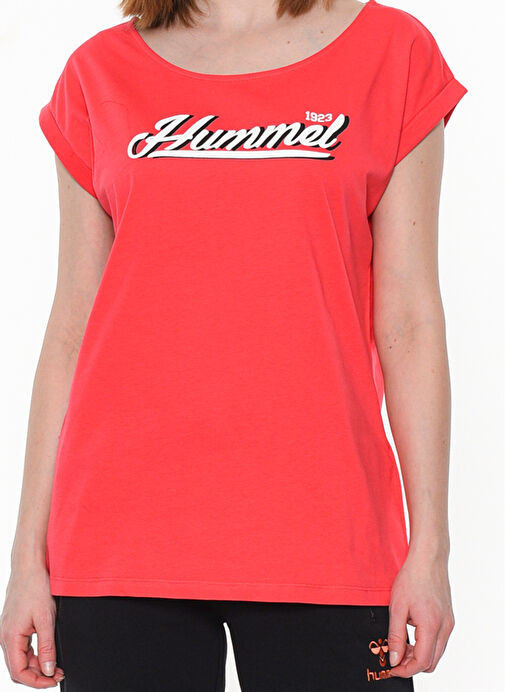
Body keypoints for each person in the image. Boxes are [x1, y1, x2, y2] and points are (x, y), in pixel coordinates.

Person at [0, 0, 467, 689]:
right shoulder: (98, 72)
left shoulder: (391, 53)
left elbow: (409, 320)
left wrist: (429, 548)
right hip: (117, 539)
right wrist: (26, 560)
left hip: (326, 531)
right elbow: (73, 324)